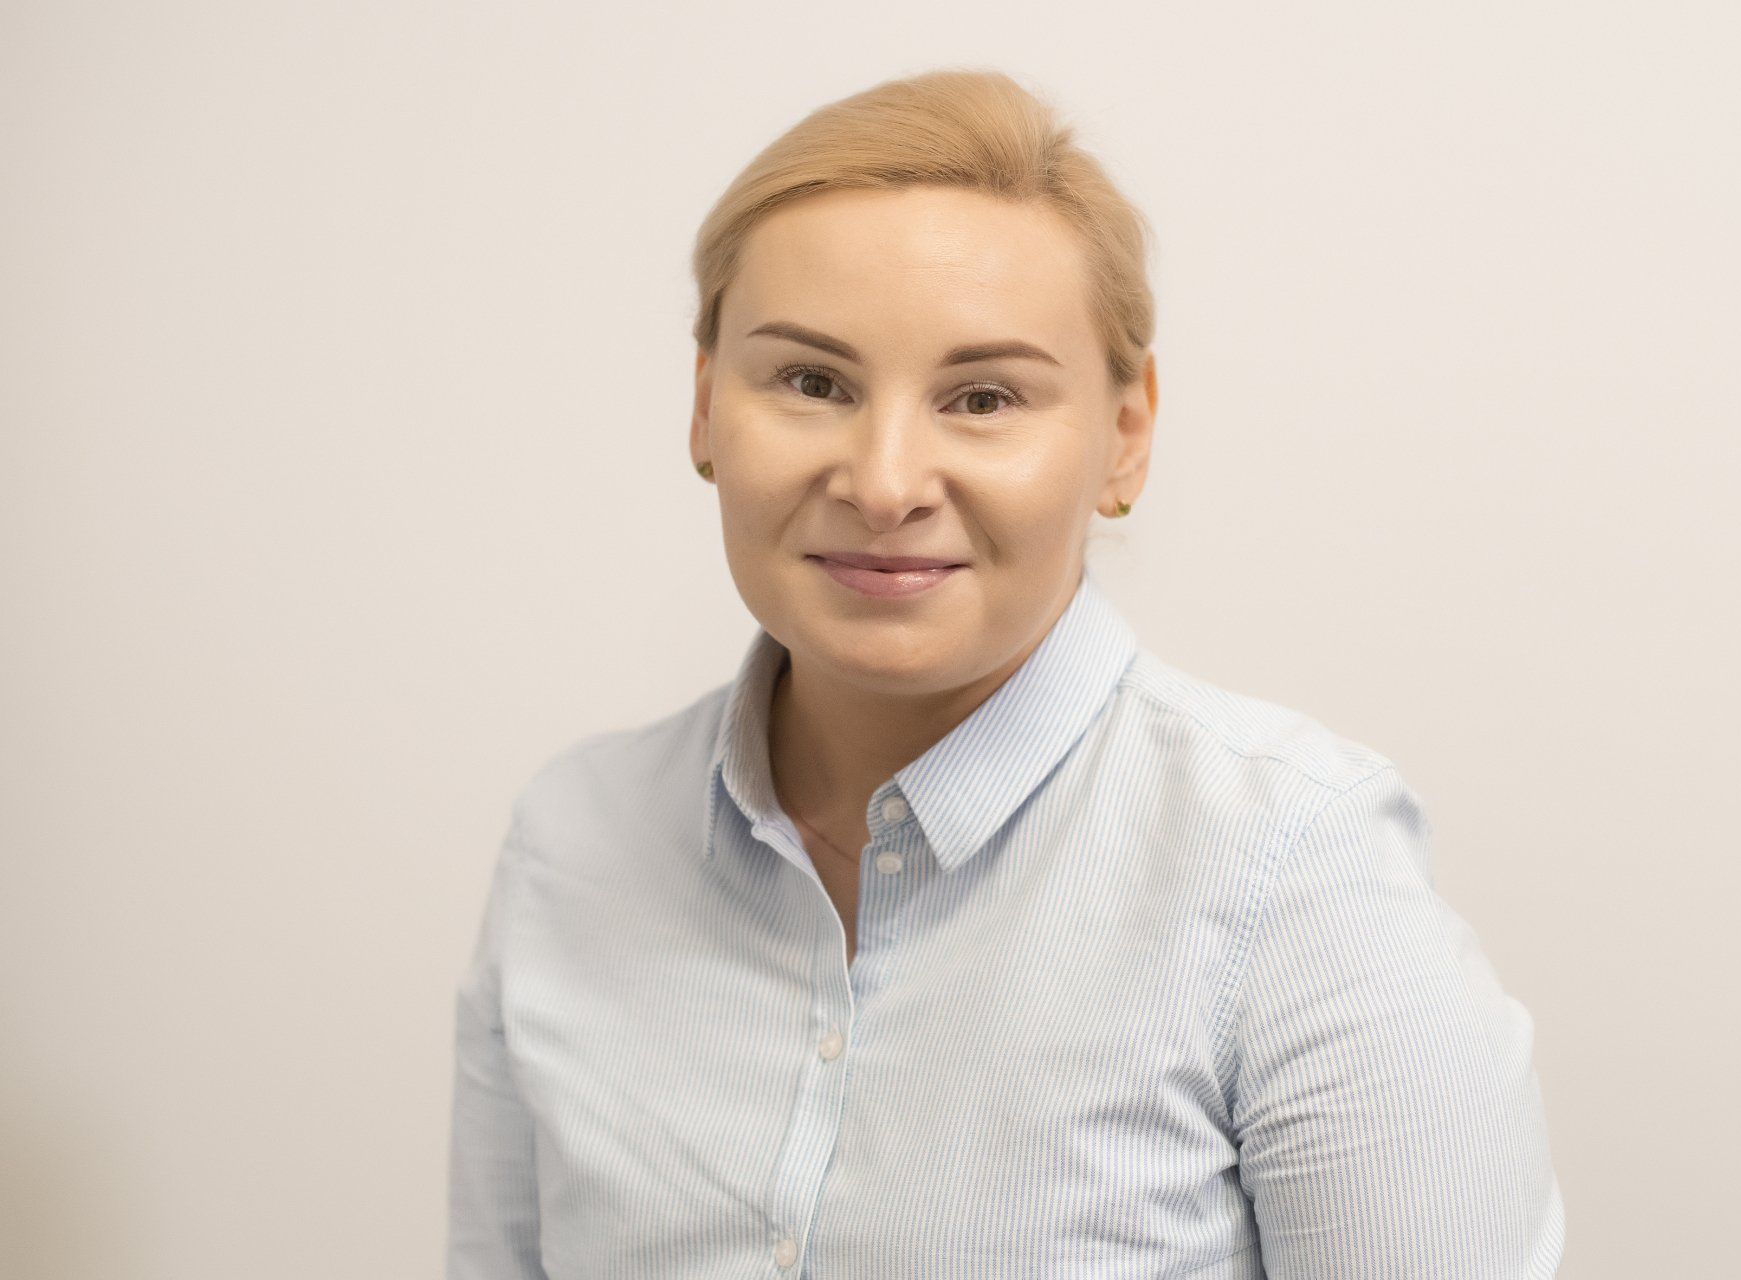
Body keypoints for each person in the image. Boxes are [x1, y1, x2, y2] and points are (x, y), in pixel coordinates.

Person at [447, 67, 1565, 1279]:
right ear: (707, 402)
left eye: (982, 397)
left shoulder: (1296, 870)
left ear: (1124, 434)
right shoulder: (571, 841)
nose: (883, 481)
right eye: (812, 381)